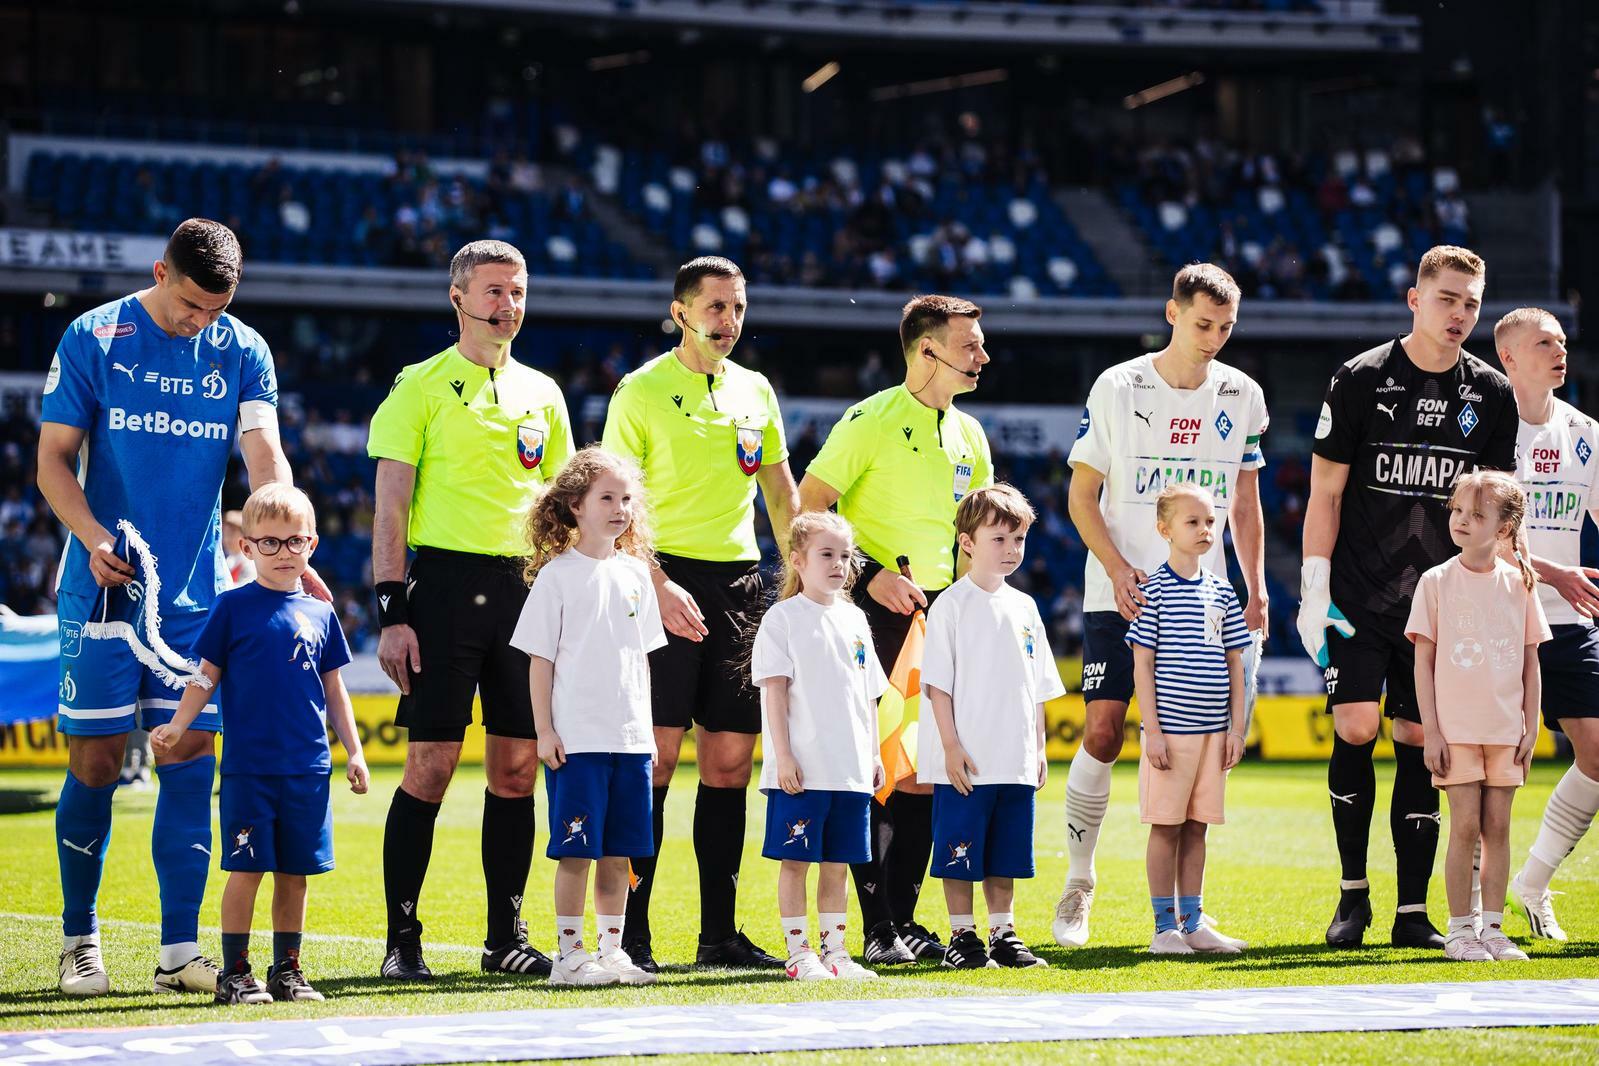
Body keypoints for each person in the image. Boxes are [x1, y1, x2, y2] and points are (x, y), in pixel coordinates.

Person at [39, 218, 312, 997]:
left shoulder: (242, 349)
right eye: (192, 306)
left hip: (197, 600)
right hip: (99, 592)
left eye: (217, 310)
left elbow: (263, 457)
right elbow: (52, 462)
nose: (202, 323)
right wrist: (92, 537)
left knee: (190, 757)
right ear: (160, 272)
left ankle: (178, 953)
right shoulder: (94, 336)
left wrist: (284, 530)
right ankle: (78, 939)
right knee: (95, 760)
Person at [1298, 245, 1518, 950]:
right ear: (1414, 299)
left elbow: (1499, 510)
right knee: (1357, 726)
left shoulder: (1490, 393)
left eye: (1471, 304)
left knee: (1422, 742)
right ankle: (1352, 895)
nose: (1459, 314)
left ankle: (1412, 912)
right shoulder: (1359, 378)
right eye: (1447, 298)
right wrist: (1311, 586)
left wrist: (1508, 587)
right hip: (1357, 596)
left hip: (1443, 606)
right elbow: (1325, 492)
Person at [368, 239, 575, 981]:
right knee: (430, 766)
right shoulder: (417, 387)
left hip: (527, 593)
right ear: (457, 297)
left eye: (517, 292)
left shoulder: (544, 394)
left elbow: (563, 509)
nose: (507, 305)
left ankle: (505, 937)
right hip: (445, 594)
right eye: (492, 291)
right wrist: (392, 609)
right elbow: (390, 505)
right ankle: (402, 940)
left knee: (517, 769)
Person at [1054, 264, 1266, 951]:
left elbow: (1245, 503)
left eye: (1226, 328)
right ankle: (1078, 882)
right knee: (1105, 732)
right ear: (1170, 313)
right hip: (1120, 590)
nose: (1213, 339)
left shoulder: (1241, 394)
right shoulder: (1117, 386)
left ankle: (1188, 914)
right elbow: (1081, 495)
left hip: (1203, 600)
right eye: (1203, 324)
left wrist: (1253, 583)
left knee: (1202, 751)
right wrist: (1116, 568)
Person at [602, 255, 798, 971]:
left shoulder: (755, 391)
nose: (729, 322)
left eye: (738, 307)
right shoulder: (641, 391)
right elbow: (617, 505)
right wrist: (655, 582)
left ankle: (718, 935)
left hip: (740, 585)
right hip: (658, 581)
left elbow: (780, 493)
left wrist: (801, 574)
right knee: (653, 761)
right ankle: (633, 934)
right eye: (715, 307)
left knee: (728, 763)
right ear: (680, 311)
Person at [798, 294, 995, 965]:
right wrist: (869, 572)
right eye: (969, 344)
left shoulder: (971, 434)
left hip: (944, 614)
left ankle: (902, 922)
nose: (981, 356)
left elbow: (978, 532)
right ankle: (878, 926)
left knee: (928, 774)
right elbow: (809, 504)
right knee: (878, 770)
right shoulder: (870, 419)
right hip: (877, 614)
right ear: (927, 349)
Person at [150, 484, 368, 1003]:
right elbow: (205, 677)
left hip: (309, 770)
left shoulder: (321, 613)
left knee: (296, 875)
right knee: (246, 870)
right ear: (246, 548)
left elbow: (334, 689)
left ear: (311, 544)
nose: (283, 553)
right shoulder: (232, 608)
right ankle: (235, 972)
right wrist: (181, 725)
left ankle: (287, 970)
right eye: (269, 543)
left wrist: (354, 751)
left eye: (294, 542)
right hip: (250, 769)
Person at [510, 448, 666, 987]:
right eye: (607, 497)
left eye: (627, 499)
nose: (620, 508)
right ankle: (569, 956)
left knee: (619, 853)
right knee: (577, 851)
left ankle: (614, 950)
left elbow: (641, 659)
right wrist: (545, 730)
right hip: (576, 739)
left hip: (629, 739)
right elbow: (540, 660)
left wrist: (645, 733)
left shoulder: (636, 576)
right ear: (575, 506)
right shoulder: (557, 577)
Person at [1405, 470, 1549, 961]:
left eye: (1477, 515)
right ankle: (1460, 930)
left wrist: (1529, 725)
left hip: (1505, 731)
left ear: (1504, 528)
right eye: (1458, 512)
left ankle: (1493, 929)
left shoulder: (1521, 583)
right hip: (1458, 731)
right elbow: (1422, 663)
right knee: (1464, 827)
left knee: (1499, 830)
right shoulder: (1436, 581)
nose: (1463, 521)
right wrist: (1434, 731)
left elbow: (1531, 664)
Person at [919, 485, 1064, 969]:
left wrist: (1038, 747)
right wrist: (950, 746)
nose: (1011, 550)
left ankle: (1004, 933)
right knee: (959, 850)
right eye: (999, 539)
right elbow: (937, 685)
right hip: (966, 757)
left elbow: (1039, 684)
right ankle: (962, 938)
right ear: (967, 542)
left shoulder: (1026, 607)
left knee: (1006, 854)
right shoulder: (950, 606)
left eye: (1019, 539)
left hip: (1015, 755)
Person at [1495, 308, 1599, 940]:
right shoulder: (1488, 426)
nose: (1559, 351)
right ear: (1509, 357)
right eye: (1543, 343)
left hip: (1567, 618)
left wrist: (1563, 580)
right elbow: (1486, 533)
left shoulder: (1585, 430)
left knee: (1596, 751)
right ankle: (1471, 914)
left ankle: (1532, 883)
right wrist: (1556, 570)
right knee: (1491, 768)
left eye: (1561, 342)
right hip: (1498, 615)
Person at [752, 511, 889, 982]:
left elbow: (869, 696)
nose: (837, 564)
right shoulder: (782, 619)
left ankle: (837, 952)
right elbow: (773, 692)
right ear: (797, 560)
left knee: (838, 866)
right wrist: (783, 754)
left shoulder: (854, 619)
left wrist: (872, 754)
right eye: (826, 554)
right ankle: (798, 953)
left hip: (848, 769)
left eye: (845, 556)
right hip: (802, 771)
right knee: (797, 863)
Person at [1127, 484, 1252, 955]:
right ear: (1165, 530)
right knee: (1166, 826)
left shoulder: (1222, 590)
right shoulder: (1153, 591)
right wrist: (1152, 731)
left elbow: (1234, 663)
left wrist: (1235, 728)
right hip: (1171, 734)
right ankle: (1164, 929)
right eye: (1192, 522)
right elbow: (1143, 663)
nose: (1204, 530)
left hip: (1213, 733)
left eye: (1209, 521)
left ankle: (1193, 922)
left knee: (1197, 826)